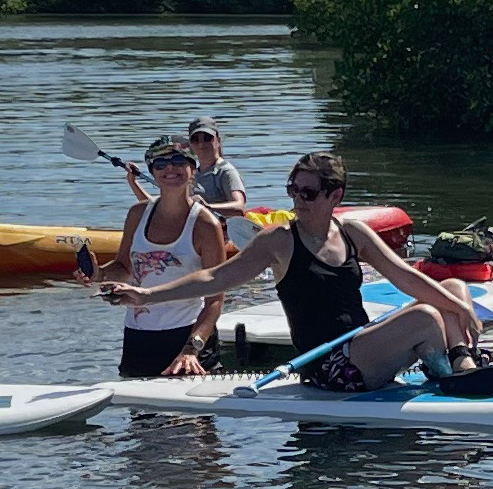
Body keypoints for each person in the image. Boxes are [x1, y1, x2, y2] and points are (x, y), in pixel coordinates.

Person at [99, 151, 493, 395]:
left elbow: (405, 277)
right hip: (327, 366)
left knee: (454, 287)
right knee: (426, 313)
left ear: (334, 196)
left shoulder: (353, 232)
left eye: (307, 193)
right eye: (293, 190)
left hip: (361, 345)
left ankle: (461, 366)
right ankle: (455, 374)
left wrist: (461, 308)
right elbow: (213, 279)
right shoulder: (279, 241)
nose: (296, 200)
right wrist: (147, 295)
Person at [74, 136, 226, 378]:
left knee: (188, 418)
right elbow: (124, 267)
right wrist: (99, 274)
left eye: (178, 161)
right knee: (141, 417)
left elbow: (215, 299)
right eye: (160, 164)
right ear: (153, 173)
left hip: (187, 338)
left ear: (193, 170)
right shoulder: (137, 214)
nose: (170, 169)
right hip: (139, 336)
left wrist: (191, 349)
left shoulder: (206, 224)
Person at [126, 117, 246, 217]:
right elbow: (156, 207)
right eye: (195, 139)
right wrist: (133, 182)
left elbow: (239, 206)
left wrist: (205, 207)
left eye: (207, 138)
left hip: (223, 232)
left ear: (218, 141)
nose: (201, 144)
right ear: (190, 144)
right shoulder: (187, 175)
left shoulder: (226, 172)